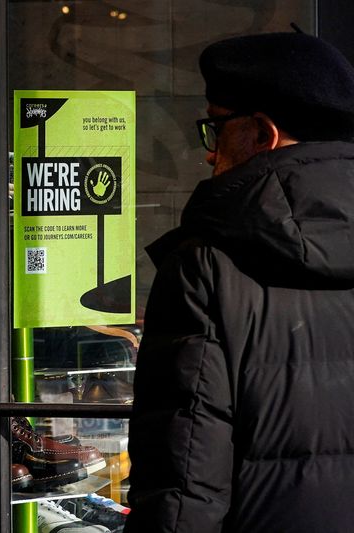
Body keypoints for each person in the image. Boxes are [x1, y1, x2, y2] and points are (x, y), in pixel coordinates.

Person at [125, 32, 354, 532]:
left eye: (215, 128)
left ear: (262, 133)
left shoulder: (206, 263)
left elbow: (184, 480)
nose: (209, 153)